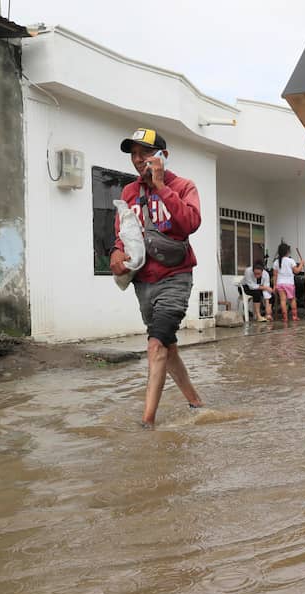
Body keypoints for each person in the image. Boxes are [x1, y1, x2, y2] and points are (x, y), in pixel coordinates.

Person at [109, 128, 203, 428]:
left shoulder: (184, 186)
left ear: (163, 155)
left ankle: (147, 422)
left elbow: (190, 223)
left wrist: (161, 186)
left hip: (176, 277)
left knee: (155, 345)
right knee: (166, 345)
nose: (138, 160)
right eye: (134, 154)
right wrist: (116, 252)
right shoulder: (129, 192)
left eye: (145, 153)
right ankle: (196, 403)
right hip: (143, 283)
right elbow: (124, 233)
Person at [271, 243, 304, 322]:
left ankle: (285, 318)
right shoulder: (291, 261)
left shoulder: (276, 262)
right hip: (289, 284)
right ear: (288, 252)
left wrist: (274, 286)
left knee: (283, 301)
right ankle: (294, 316)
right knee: (292, 300)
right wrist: (301, 264)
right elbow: (296, 271)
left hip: (280, 284)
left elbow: (275, 275)